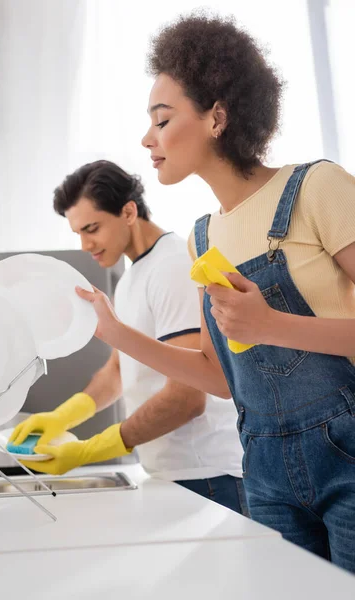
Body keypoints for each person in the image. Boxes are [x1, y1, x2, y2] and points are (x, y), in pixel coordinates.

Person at [74, 14, 355, 572]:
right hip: (266, 473)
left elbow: (262, 333)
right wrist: (115, 333)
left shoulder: (317, 188)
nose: (146, 139)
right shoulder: (204, 236)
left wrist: (271, 325)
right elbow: (219, 376)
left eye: (162, 118)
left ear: (217, 117)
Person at [11, 160, 246, 513]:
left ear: (129, 211)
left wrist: (94, 449)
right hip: (173, 472)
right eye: (77, 232)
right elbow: (119, 370)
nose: (85, 244)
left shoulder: (171, 267)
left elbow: (188, 396)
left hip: (209, 474)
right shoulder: (131, 279)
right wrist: (64, 415)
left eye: (92, 228)